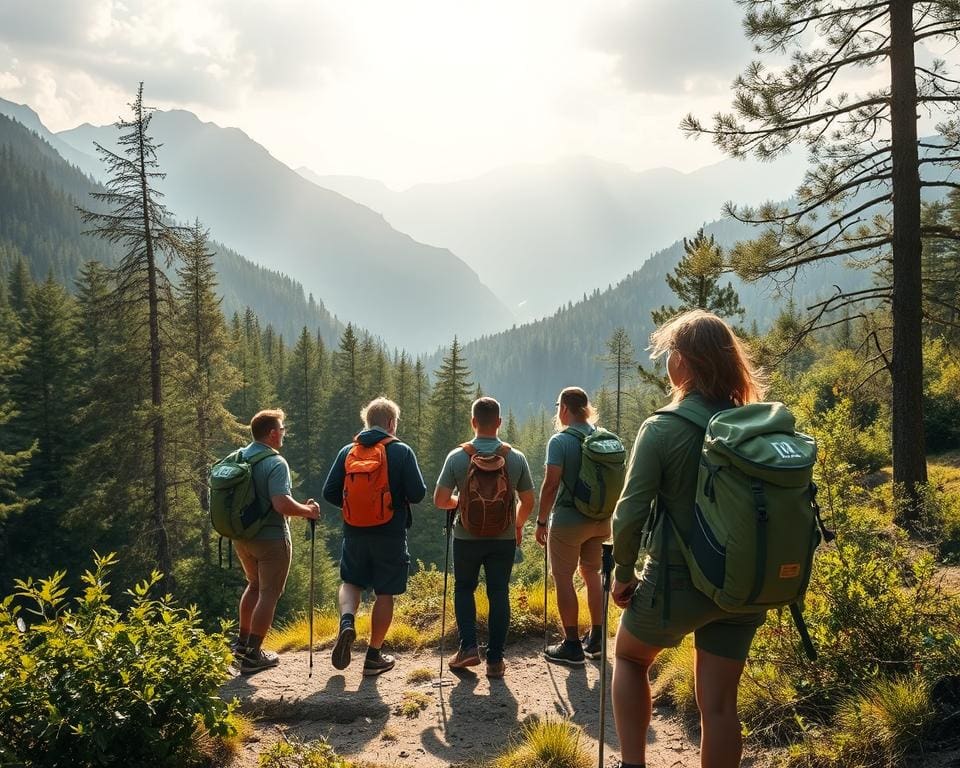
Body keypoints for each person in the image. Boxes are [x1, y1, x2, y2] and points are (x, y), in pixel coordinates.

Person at [610, 310, 768, 768]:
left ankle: (633, 764)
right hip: (741, 584)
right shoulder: (751, 427)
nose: (667, 359)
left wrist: (623, 573)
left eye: (671, 351)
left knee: (631, 659)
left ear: (686, 362)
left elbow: (630, 513)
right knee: (719, 706)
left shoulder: (663, 427)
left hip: (677, 582)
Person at [323, 397, 426, 676]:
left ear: (367, 422)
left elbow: (329, 492)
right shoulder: (401, 451)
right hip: (390, 533)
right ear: (392, 423)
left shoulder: (349, 451)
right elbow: (418, 493)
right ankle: (373, 656)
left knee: (351, 581)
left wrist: (354, 508)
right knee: (385, 592)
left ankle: (347, 621)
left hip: (354, 532)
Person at [434, 397, 535, 678]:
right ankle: (495, 661)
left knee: (464, 588)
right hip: (502, 540)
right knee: (498, 592)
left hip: (466, 538)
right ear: (499, 423)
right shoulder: (515, 458)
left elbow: (440, 500)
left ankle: (467, 649)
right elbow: (528, 500)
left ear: (473, 422)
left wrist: (462, 501)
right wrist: (515, 525)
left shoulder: (457, 457)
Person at [234, 409, 320, 674]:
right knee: (269, 593)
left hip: (241, 537)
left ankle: (241, 645)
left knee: (254, 586)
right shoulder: (275, 462)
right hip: (270, 538)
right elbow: (281, 503)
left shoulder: (239, 456)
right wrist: (309, 511)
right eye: (282, 429)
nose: (284, 433)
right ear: (272, 433)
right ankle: (253, 656)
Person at [535, 386, 609, 666]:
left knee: (563, 577)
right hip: (601, 520)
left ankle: (571, 645)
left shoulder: (560, 441)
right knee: (592, 573)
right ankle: (598, 640)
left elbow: (551, 484)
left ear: (564, 408)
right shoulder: (600, 437)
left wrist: (542, 521)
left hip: (569, 520)